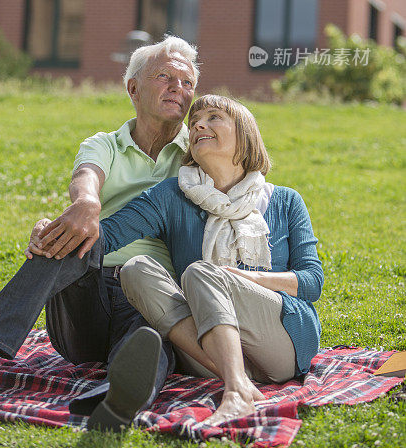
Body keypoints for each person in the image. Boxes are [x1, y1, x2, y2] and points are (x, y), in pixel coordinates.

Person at [0, 36, 199, 431]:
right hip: (85, 301)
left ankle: (117, 397)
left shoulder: (197, 155)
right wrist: (85, 205)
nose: (178, 89)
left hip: (153, 291)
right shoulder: (104, 145)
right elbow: (86, 177)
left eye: (187, 83)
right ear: (132, 88)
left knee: (152, 334)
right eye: (165, 77)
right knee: (64, 239)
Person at [88, 94, 324, 426]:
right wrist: (61, 228)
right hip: (204, 349)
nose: (198, 124)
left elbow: (312, 282)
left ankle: (236, 393)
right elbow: (108, 234)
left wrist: (243, 279)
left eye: (214, 117)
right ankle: (238, 380)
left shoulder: (285, 200)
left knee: (201, 273)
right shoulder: (172, 195)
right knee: (136, 269)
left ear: (244, 134)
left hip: (279, 342)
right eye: (195, 120)